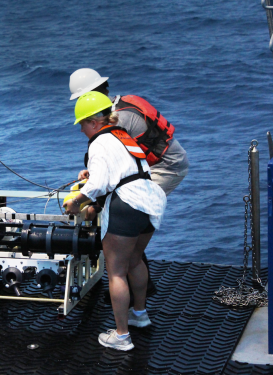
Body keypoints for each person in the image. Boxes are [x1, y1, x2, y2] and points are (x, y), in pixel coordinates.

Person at [69, 68, 189, 298]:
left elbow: (119, 172)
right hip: (156, 163)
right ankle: (133, 283)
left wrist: (95, 206)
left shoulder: (119, 120)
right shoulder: (118, 106)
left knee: (129, 214)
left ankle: (134, 289)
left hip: (167, 167)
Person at [63, 92, 166, 351]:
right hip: (149, 201)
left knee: (117, 272)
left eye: (83, 125)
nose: (82, 131)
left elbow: (99, 184)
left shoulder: (98, 143)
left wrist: (76, 202)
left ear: (94, 122)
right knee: (134, 260)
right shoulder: (122, 135)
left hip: (126, 205)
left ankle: (121, 336)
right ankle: (139, 315)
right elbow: (123, 169)